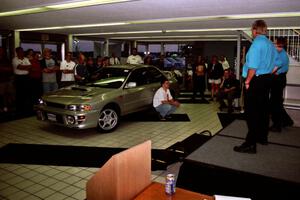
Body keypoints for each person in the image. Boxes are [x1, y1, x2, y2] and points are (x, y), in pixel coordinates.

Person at [234, 20, 281, 154]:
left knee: (252, 113)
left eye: (251, 30)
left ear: (255, 30)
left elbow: (253, 66)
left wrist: (248, 81)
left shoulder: (256, 44)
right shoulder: (270, 44)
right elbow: (278, 63)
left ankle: (250, 144)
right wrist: (267, 72)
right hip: (266, 79)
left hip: (255, 81)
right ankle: (262, 137)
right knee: (263, 111)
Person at [269, 37, 294, 132]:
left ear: (280, 45)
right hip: (278, 79)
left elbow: (275, 70)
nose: (274, 44)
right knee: (277, 103)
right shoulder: (279, 53)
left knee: (274, 103)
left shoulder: (282, 55)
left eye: (275, 43)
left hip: (279, 79)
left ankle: (277, 125)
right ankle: (287, 121)